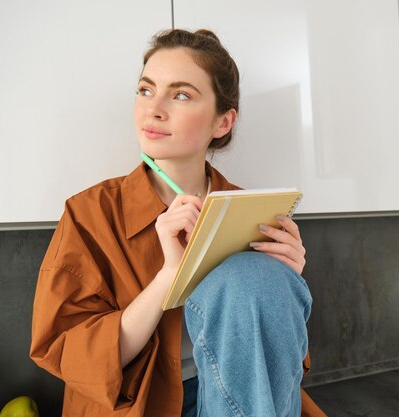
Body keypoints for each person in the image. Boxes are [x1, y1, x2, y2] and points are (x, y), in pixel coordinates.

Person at [29, 28, 327, 417]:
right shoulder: (89, 214)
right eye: (146, 90)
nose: (154, 109)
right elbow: (69, 356)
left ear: (223, 122)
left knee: (259, 278)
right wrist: (168, 278)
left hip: (247, 399)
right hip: (140, 406)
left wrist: (283, 282)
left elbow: (280, 361)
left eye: (181, 94)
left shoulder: (252, 212)